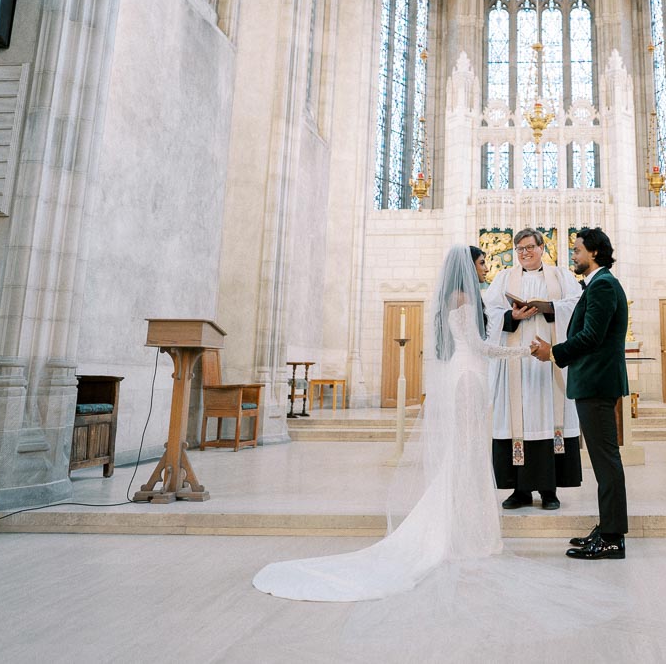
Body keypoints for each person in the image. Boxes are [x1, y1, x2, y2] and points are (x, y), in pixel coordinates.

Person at [253, 245, 527, 601]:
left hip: (463, 375)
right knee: (468, 453)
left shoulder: (453, 298)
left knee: (466, 453)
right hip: (468, 377)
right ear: (467, 267)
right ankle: (459, 531)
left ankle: (458, 527)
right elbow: (480, 346)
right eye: (481, 262)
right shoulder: (464, 298)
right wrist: (523, 351)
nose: (484, 267)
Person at [530, 227, 629, 560]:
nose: (573, 256)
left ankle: (613, 537)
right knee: (603, 461)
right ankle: (607, 527)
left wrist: (554, 352)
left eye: (577, 250)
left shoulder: (602, 286)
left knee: (606, 461)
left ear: (595, 254)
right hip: (594, 381)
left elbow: (591, 337)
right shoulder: (600, 285)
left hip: (597, 382)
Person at [483, 228, 583, 510]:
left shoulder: (560, 276)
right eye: (520, 249)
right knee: (518, 423)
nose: (525, 253)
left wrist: (550, 307)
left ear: (542, 248)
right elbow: (488, 312)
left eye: (530, 247)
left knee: (550, 421)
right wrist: (510, 316)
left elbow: (577, 305)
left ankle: (549, 491)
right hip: (515, 365)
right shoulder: (504, 278)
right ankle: (519, 490)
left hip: (549, 365)